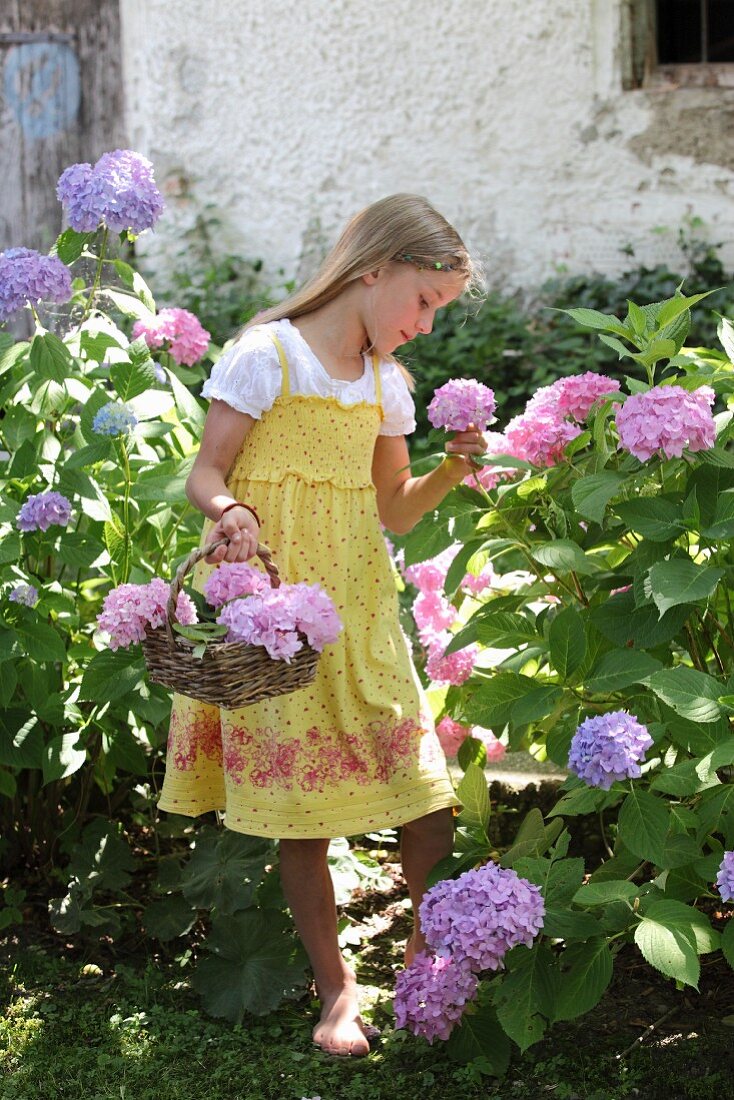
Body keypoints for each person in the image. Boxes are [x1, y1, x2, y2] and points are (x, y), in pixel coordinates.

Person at [158, 193, 488, 1056]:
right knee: (302, 814)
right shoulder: (268, 355)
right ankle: (336, 991)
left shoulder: (386, 383)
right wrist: (229, 510)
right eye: (423, 301)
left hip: (362, 603)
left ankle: (423, 962)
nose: (425, 325)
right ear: (373, 269)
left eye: (438, 312)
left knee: (426, 795)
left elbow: (396, 508)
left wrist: (455, 467)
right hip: (277, 610)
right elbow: (206, 472)